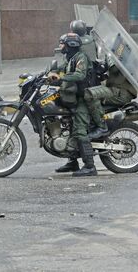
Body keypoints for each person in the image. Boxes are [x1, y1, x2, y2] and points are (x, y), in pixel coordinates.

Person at [48, 33, 97, 177]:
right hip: (74, 95)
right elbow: (59, 68)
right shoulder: (70, 58)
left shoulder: (81, 57)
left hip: (84, 97)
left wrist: (61, 78)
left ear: (71, 45)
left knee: (79, 129)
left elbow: (80, 75)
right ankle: (72, 161)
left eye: (63, 43)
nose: (61, 46)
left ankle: (90, 166)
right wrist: (45, 75)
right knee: (67, 123)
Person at [71, 19, 108, 139]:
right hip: (94, 76)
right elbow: (98, 55)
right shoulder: (92, 39)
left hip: (85, 79)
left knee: (86, 99)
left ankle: (101, 126)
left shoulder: (75, 43)